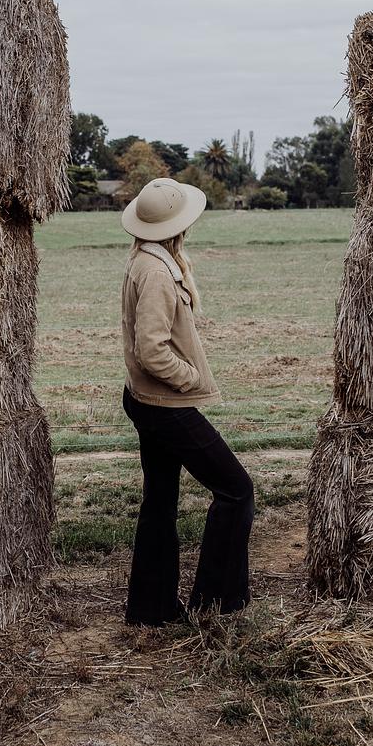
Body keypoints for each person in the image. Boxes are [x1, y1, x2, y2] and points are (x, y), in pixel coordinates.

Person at [119, 177, 255, 626]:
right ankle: (216, 600)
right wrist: (190, 377)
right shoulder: (158, 272)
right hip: (165, 405)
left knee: (160, 500)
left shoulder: (146, 259)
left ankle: (151, 608)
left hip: (146, 400)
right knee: (236, 490)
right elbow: (152, 349)